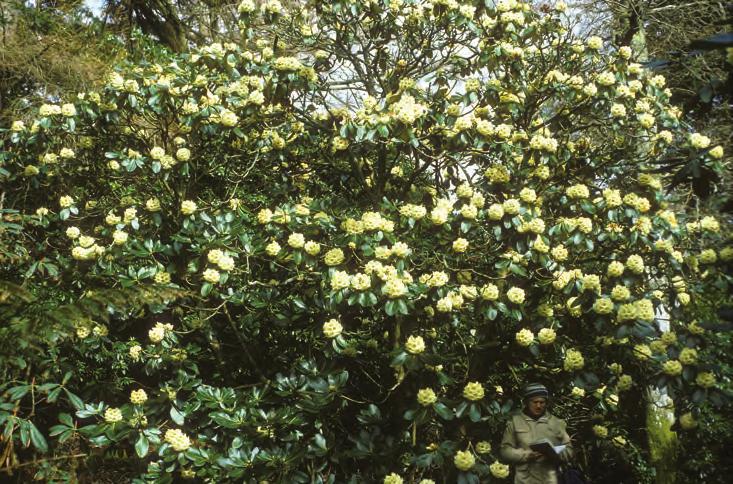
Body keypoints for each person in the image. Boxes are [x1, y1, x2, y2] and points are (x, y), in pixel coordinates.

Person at [500, 383, 573, 484]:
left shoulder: (557, 423)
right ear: (526, 402)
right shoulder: (515, 422)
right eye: (534, 402)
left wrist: (554, 453)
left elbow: (569, 450)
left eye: (542, 402)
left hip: (550, 480)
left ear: (546, 403)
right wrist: (525, 455)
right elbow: (505, 451)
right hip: (524, 480)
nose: (538, 406)